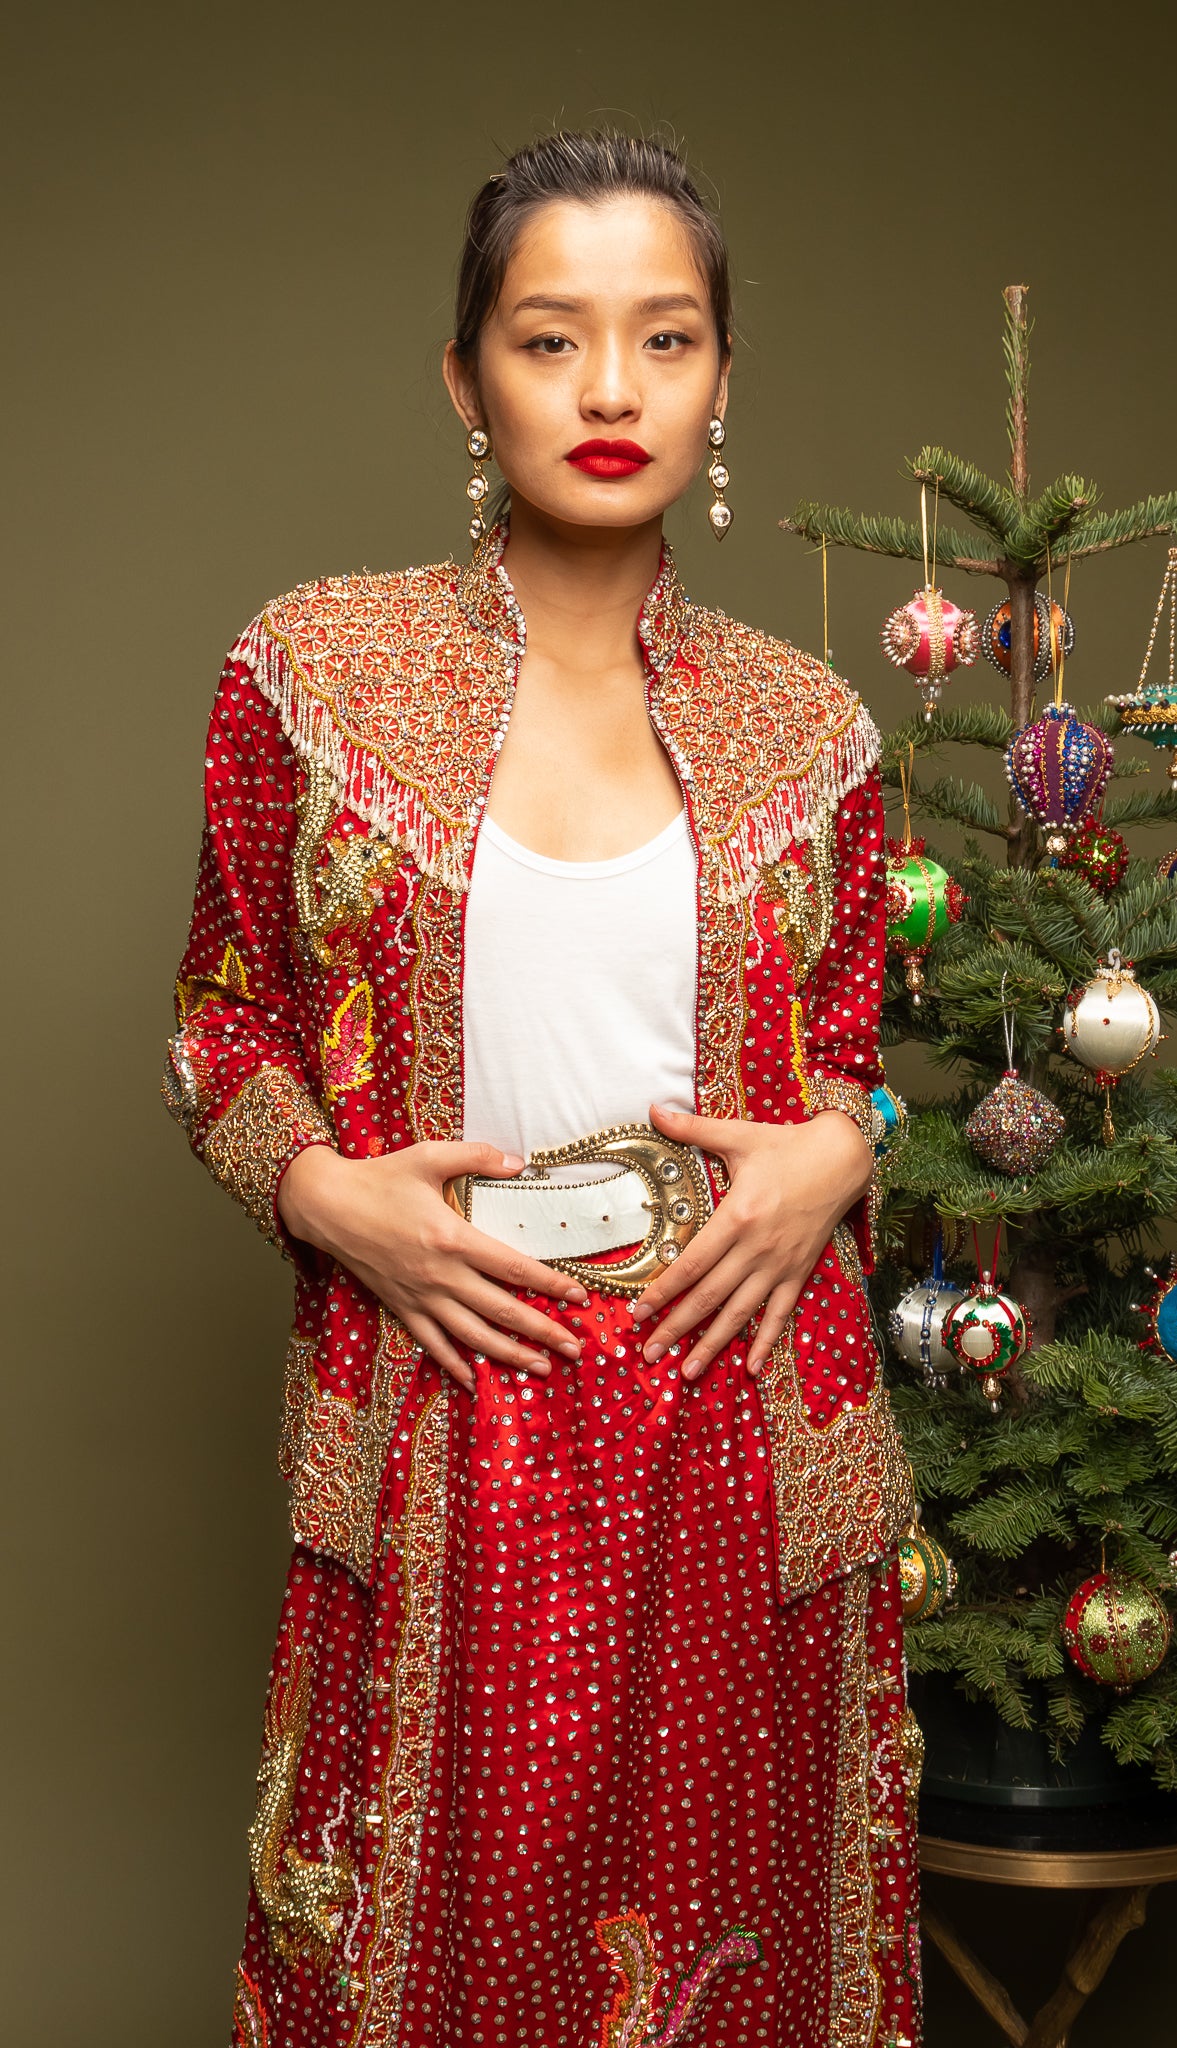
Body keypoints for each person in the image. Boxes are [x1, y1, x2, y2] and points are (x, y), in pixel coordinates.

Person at [165, 128, 923, 2048]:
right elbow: (219, 1020)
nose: (608, 392)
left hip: (744, 1414)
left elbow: (849, 1061)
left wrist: (840, 1151)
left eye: (664, 341)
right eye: (548, 338)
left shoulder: (809, 727)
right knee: (417, 1975)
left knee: (753, 1981)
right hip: (443, 1400)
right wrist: (322, 1198)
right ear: (462, 375)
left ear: (721, 380)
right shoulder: (309, 675)